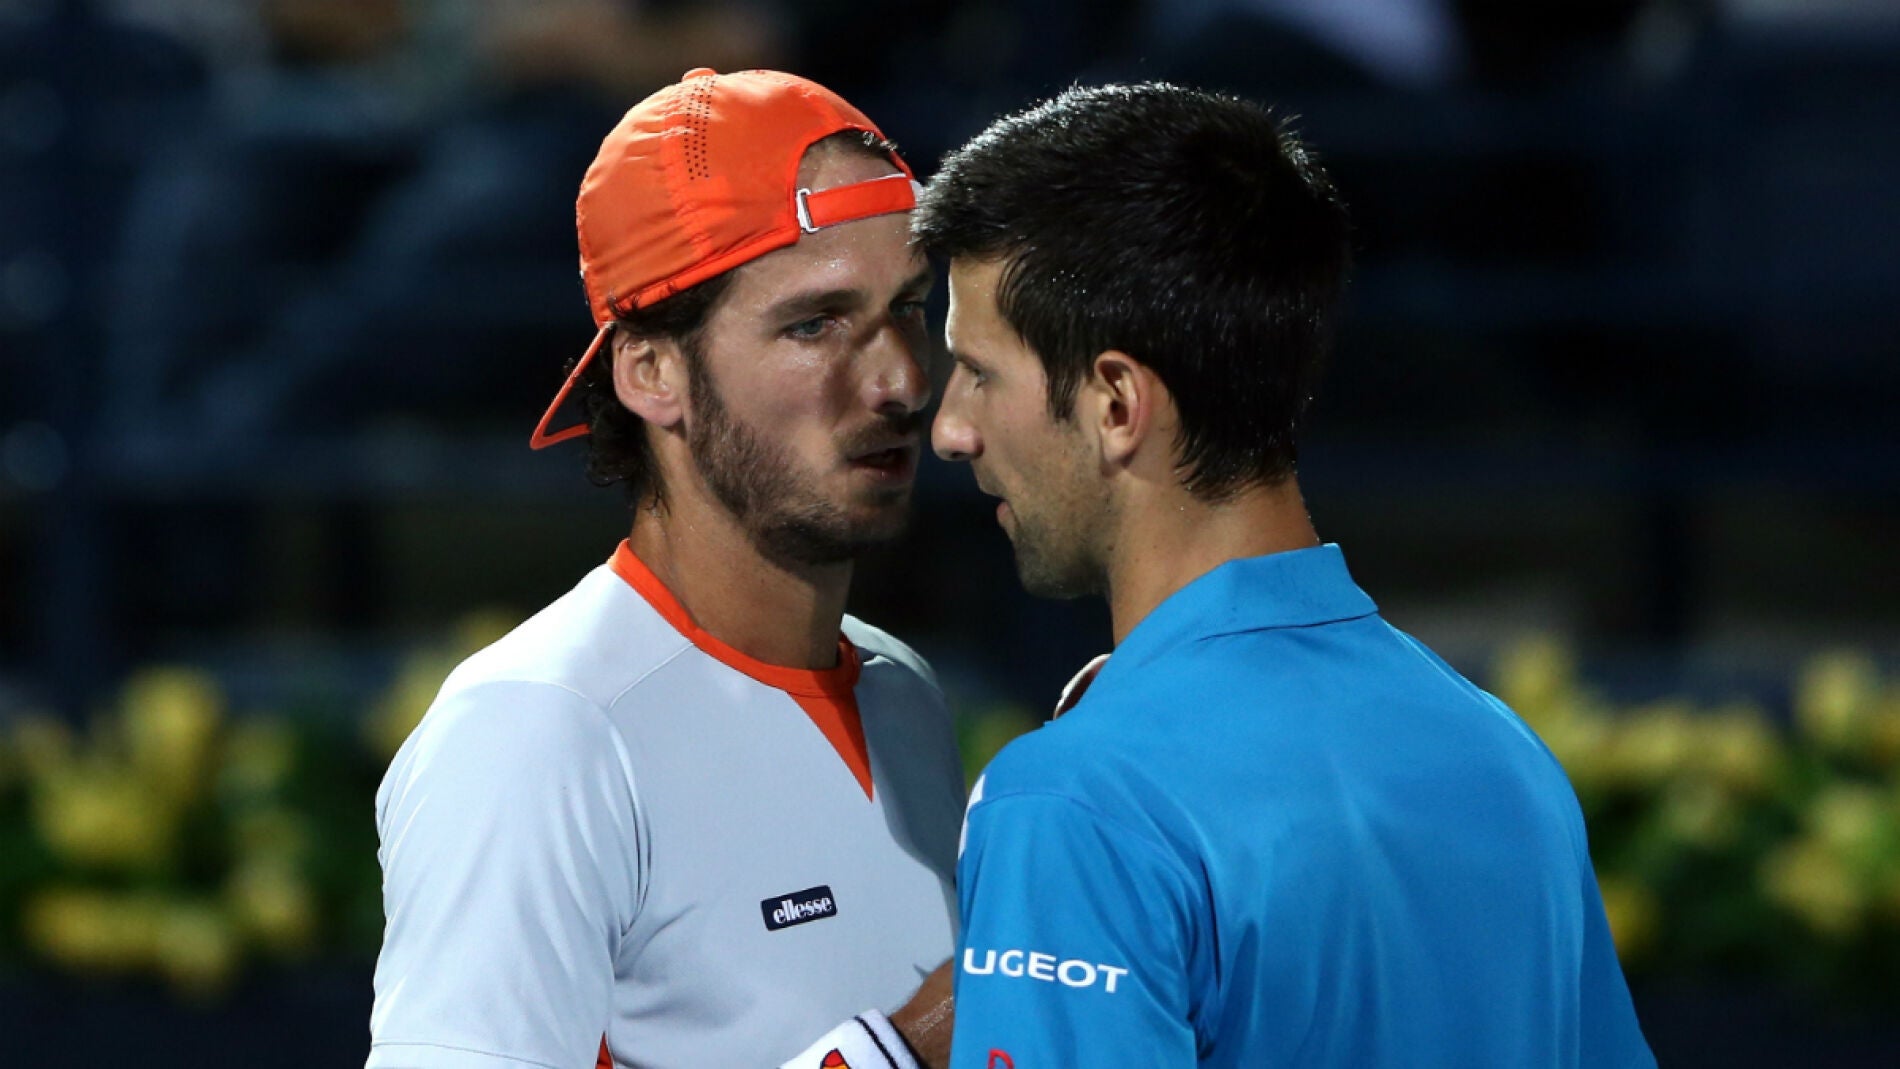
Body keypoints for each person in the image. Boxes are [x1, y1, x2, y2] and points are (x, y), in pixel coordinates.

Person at [916, 82, 1655, 1067]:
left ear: (1115, 403)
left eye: (978, 371)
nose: (949, 428)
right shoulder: (1505, 760)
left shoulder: (1076, 804)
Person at [368, 68, 963, 1069]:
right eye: (813, 323)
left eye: (907, 309)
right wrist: (888, 1056)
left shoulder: (903, 690)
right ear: (650, 372)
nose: (900, 379)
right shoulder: (535, 728)